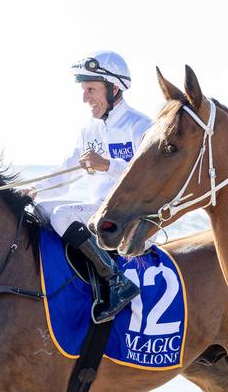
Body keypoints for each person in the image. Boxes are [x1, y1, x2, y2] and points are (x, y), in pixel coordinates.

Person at [33, 51, 150, 323]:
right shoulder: (89, 129)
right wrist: (35, 190)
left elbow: (148, 179)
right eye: (84, 90)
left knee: (62, 215)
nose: (85, 98)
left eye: (91, 89)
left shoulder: (141, 126)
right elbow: (66, 171)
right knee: (38, 209)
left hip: (130, 216)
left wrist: (108, 165)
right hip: (98, 211)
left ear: (115, 88)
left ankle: (117, 281)